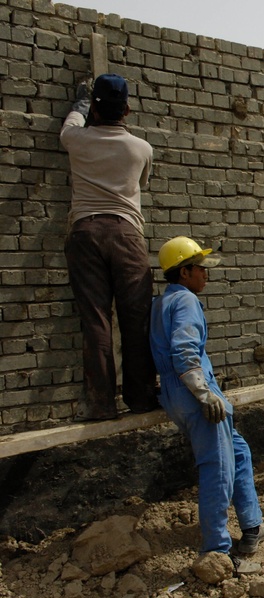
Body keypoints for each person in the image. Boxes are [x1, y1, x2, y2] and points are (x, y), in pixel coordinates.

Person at [149, 237, 264, 572]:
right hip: (194, 392)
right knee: (217, 469)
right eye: (201, 269)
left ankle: (252, 526)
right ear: (184, 271)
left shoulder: (162, 302)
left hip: (175, 393)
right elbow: (184, 351)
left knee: (239, 452)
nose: (206, 275)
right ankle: (216, 550)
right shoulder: (186, 301)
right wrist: (204, 394)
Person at [60, 73, 158, 420]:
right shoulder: (141, 148)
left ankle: (102, 405)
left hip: (85, 233)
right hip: (127, 234)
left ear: (95, 112)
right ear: (128, 110)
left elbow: (72, 120)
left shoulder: (76, 138)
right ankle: (141, 397)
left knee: (96, 319)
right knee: (137, 320)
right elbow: (141, 182)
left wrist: (83, 101)